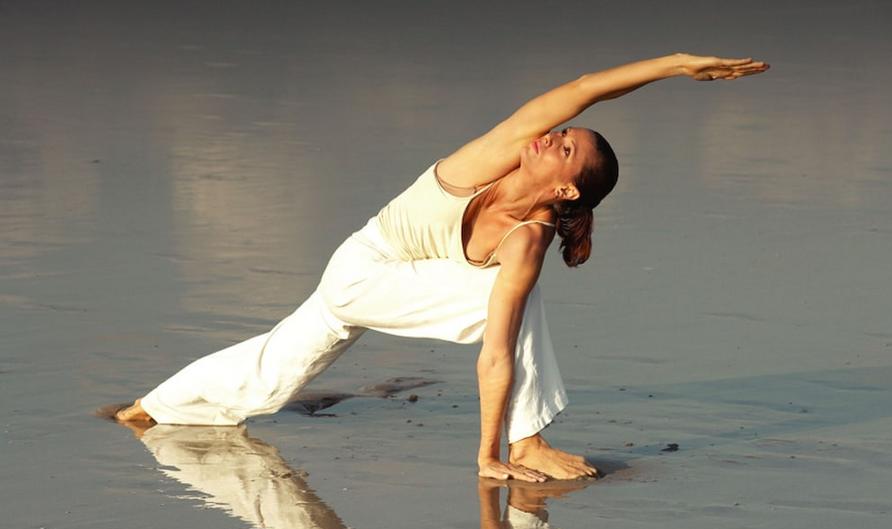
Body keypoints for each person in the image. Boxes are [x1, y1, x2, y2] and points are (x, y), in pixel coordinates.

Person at [115, 53, 768, 482]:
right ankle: (528, 441)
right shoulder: (497, 154)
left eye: (566, 148)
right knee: (508, 300)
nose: (553, 135)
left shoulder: (529, 238)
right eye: (563, 132)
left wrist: (484, 453)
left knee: (271, 375)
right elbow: (581, 90)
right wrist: (678, 64)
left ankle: (149, 408)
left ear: (567, 189)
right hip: (361, 269)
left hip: (391, 286)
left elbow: (498, 351)